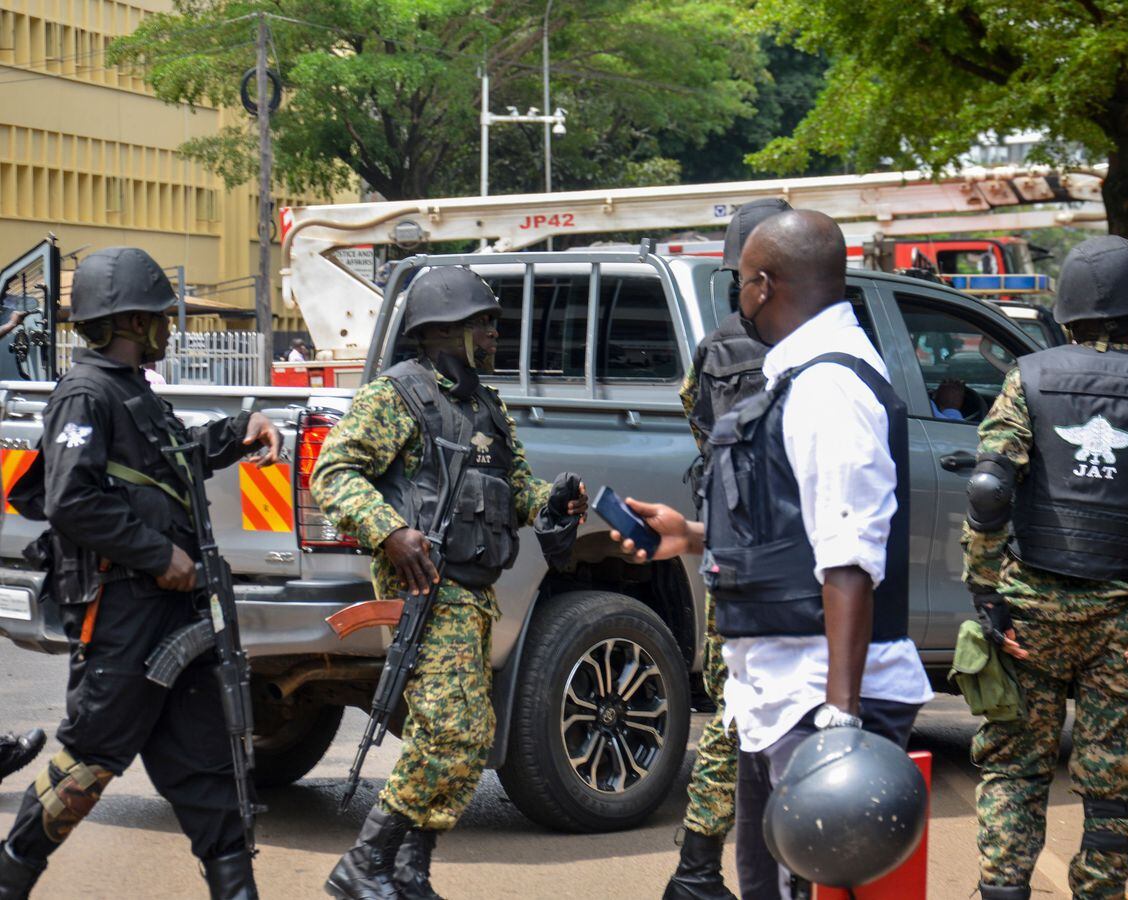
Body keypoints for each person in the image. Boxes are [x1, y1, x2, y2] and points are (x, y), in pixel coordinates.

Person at [614, 210, 932, 900]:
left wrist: (840, 724)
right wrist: (693, 535)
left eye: (740, 283)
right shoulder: (801, 377)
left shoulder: (830, 386)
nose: (739, 298)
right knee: (764, 886)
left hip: (817, 701)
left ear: (762, 284)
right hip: (780, 695)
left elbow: (848, 556)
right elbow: (802, 527)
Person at [0, 247, 281, 900]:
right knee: (88, 764)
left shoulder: (135, 395)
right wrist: (160, 555)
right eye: (160, 316)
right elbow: (73, 499)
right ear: (129, 321)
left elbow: (173, 462)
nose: (169, 326)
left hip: (176, 619)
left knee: (212, 773)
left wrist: (242, 430)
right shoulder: (86, 393)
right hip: (123, 616)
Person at [312, 266, 587, 900]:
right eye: (481, 324)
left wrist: (555, 501)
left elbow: (515, 491)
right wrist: (390, 532)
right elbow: (334, 473)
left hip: (474, 591)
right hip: (427, 590)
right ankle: (365, 861)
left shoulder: (486, 407)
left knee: (469, 739)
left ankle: (409, 870)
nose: (494, 334)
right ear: (441, 331)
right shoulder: (397, 396)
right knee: (448, 733)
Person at [963, 235, 1128, 900]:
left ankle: (1003, 891)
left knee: (1015, 770)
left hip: (1029, 612)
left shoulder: (1027, 377)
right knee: (1111, 782)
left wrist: (987, 592)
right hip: (1122, 623)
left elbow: (988, 489)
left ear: (1067, 309)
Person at [668, 197, 789, 900]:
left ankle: (698, 870)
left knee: (736, 711)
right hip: (790, 566)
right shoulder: (810, 349)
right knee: (757, 720)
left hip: (729, 556)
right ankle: (704, 873)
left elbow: (700, 432)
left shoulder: (714, 352)